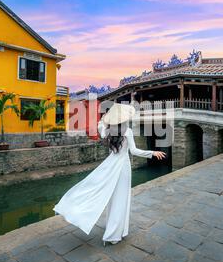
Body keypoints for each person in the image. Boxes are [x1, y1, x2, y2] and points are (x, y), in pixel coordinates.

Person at [53, 103, 166, 245]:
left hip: (110, 165)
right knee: (121, 200)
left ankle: (114, 232)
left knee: (110, 198)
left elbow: (100, 124)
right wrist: (152, 153)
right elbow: (135, 151)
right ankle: (114, 234)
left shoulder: (106, 131)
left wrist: (106, 119)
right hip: (123, 167)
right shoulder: (127, 131)